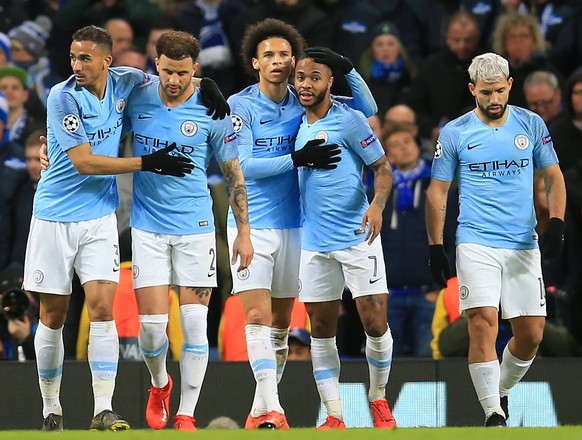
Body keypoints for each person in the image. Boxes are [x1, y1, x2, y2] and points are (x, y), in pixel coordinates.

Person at [22, 25, 196, 432]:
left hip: (99, 216)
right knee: (53, 314)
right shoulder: (62, 95)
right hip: (54, 216)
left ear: (106, 60)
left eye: (85, 58)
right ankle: (52, 408)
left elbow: (174, 76)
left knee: (103, 309)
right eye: (72, 57)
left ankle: (103, 408)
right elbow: (84, 162)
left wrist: (209, 87)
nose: (77, 65)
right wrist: (147, 163)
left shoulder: (127, 82)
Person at [227, 18, 378, 430]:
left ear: (293, 59)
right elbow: (243, 167)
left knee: (279, 325)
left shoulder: (303, 97)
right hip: (252, 223)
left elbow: (367, 111)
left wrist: (345, 67)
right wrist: (296, 158)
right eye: (268, 55)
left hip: (297, 226)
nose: (277, 61)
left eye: (283, 54)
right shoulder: (240, 106)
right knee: (256, 318)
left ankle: (260, 412)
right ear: (255, 63)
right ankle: (275, 408)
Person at [425, 52, 566, 427]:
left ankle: (499, 388)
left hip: (522, 243)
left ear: (510, 87)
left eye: (499, 91)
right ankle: (493, 414)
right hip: (475, 240)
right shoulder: (455, 132)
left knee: (531, 335)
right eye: (485, 92)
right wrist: (436, 245)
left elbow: (553, 177)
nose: (493, 99)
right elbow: (437, 192)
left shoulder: (531, 124)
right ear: (472, 90)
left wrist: (557, 222)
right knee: (483, 322)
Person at [125, 30, 253, 431]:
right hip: (146, 227)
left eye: (183, 73)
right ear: (155, 64)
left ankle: (185, 413)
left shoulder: (212, 108)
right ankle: (160, 383)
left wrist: (243, 231)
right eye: (166, 71)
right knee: (151, 329)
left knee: (196, 324)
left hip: (196, 228)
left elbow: (234, 174)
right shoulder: (136, 94)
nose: (174, 81)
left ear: (195, 69)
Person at [294, 51, 396, 430]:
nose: (306, 84)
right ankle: (334, 413)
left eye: (315, 77)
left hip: (357, 236)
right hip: (313, 241)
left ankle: (379, 397)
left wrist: (377, 205)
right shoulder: (292, 117)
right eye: (300, 77)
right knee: (320, 328)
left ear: (330, 82)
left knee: (374, 321)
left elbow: (382, 168)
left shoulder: (350, 120)